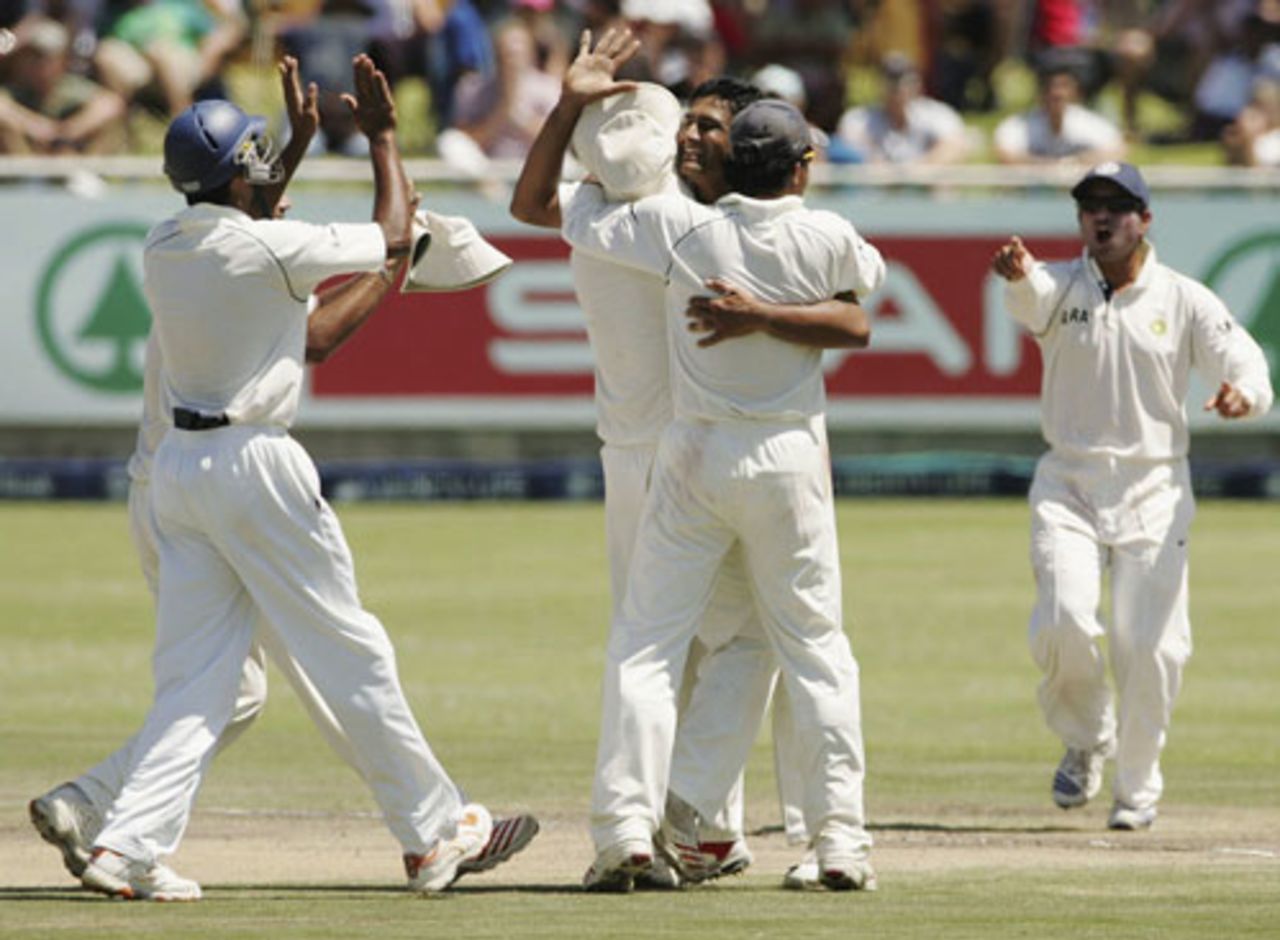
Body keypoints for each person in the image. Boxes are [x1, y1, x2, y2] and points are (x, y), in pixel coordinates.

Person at [27, 56, 537, 895]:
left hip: (181, 475)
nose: (273, 176)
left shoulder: (167, 242)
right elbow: (392, 238)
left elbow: (253, 228)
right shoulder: (264, 246)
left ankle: (125, 847)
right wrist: (379, 140)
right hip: (255, 465)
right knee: (352, 652)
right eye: (260, 164)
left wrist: (294, 146)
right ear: (239, 180)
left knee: (201, 686)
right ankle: (436, 834)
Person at [544, 31, 885, 893]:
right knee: (815, 652)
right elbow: (859, 313)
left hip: (692, 459)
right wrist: (775, 311)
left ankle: (628, 826)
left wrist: (581, 118)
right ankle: (839, 838)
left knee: (646, 646)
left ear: (732, 161)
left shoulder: (674, 229)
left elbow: (561, 210)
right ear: (800, 169)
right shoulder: (831, 236)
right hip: (789, 462)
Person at [990, 161, 1274, 831]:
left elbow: (1245, 362)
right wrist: (1017, 275)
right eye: (1091, 205)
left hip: (1154, 486)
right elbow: (1026, 298)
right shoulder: (1057, 285)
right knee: (1064, 621)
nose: (1103, 216)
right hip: (1068, 483)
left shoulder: (1183, 298)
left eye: (1118, 206)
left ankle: (1137, 790)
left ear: (1145, 219)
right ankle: (1088, 737)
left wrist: (1245, 395)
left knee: (1151, 648)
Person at [0, 16, 126, 154]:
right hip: (27, 157)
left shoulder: (68, 85)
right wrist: (35, 127)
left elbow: (110, 104)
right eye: (33, 57)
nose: (41, 65)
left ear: (63, 60)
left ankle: (87, 171)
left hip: (69, 156)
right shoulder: (18, 86)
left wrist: (68, 131)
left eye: (48, 58)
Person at [835, 53, 970, 165]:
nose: (898, 90)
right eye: (891, 83)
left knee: (943, 183)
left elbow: (955, 146)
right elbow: (852, 151)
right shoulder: (859, 118)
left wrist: (914, 172)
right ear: (879, 85)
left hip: (923, 188)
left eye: (906, 82)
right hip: (875, 190)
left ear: (918, 84)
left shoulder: (937, 114)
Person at [993, 53, 1126, 165]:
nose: (1057, 94)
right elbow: (1005, 155)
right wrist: (1048, 167)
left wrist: (1074, 163)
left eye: (1064, 86)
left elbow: (1118, 152)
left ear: (1076, 92)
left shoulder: (1090, 124)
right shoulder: (1018, 125)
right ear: (1040, 92)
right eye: (1050, 87)